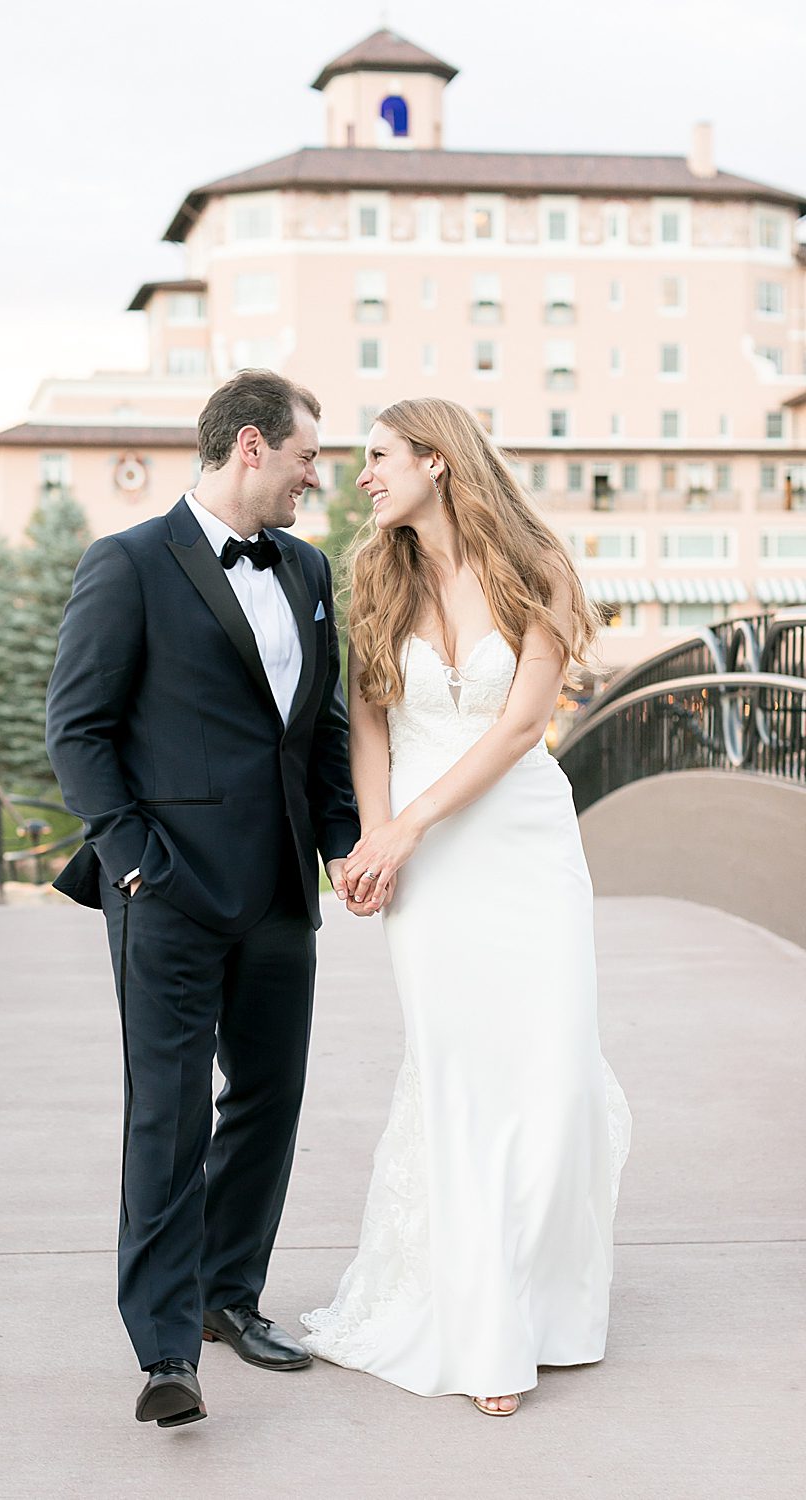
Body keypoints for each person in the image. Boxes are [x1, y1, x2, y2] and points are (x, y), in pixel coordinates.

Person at [46, 369, 363, 1429]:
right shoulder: (129, 564)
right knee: (168, 1117)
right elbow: (77, 729)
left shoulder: (310, 569)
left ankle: (230, 1297)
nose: (320, 478)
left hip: (280, 886)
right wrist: (132, 857)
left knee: (268, 1102)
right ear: (250, 449)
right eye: (309, 457)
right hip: (168, 890)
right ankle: (165, 1351)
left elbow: (315, 731)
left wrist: (344, 848)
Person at [301, 398, 631, 1415]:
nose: (362, 476)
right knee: (458, 1077)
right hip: (427, 872)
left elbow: (519, 725)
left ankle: (547, 1300)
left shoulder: (534, 565)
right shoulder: (372, 574)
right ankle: (485, 1325)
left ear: (438, 462)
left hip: (522, 849)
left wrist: (407, 827)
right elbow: (367, 723)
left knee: (557, 1072)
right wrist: (375, 834)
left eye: (379, 457)